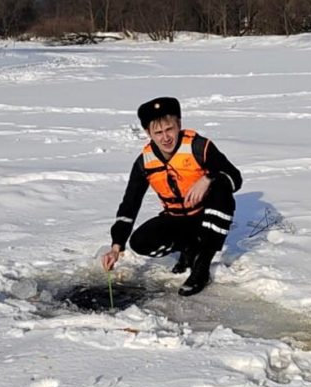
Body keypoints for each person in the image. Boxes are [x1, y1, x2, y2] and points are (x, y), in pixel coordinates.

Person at [101, 97, 242, 296]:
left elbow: (235, 179)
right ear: (148, 133)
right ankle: (189, 248)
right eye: (158, 132)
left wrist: (208, 178)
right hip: (178, 219)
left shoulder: (199, 147)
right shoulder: (144, 163)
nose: (165, 137)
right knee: (139, 242)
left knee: (221, 188)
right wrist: (116, 246)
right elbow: (130, 204)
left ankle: (202, 265)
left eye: (169, 129)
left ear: (179, 125)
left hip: (204, 215)